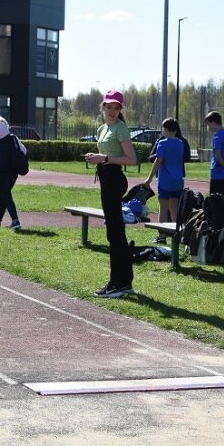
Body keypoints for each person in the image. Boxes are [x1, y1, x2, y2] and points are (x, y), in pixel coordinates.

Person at [84, 89, 138, 298]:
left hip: (114, 179)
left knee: (116, 233)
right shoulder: (102, 128)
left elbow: (131, 159)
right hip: (106, 178)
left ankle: (120, 282)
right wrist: (96, 158)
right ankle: (120, 281)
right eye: (109, 107)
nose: (112, 111)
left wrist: (104, 158)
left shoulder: (120, 129)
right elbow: (106, 155)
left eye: (116, 108)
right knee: (113, 232)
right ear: (103, 107)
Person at [143, 118, 185, 242]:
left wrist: (149, 178)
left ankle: (162, 235)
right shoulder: (180, 143)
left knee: (163, 208)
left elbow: (158, 161)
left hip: (165, 181)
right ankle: (179, 234)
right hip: (178, 181)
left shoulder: (162, 143)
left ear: (165, 129)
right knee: (174, 208)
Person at [0, 116, 25, 229]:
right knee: (4, 193)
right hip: (13, 171)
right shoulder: (13, 138)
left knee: (5, 194)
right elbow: (23, 151)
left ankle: (15, 221)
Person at [205, 110, 224, 198]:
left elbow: (218, 156)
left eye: (208, 124)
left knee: (216, 203)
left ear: (213, 122)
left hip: (218, 174)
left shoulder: (217, 136)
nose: (208, 127)